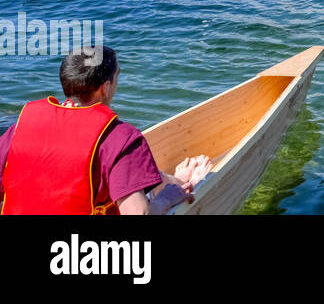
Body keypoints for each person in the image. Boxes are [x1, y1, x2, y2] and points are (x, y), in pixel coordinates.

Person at [0, 46, 212, 215]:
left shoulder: (20, 127)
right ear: (106, 87)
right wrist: (166, 199)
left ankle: (171, 180)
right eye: (118, 75)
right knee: (160, 199)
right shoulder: (121, 138)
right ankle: (188, 184)